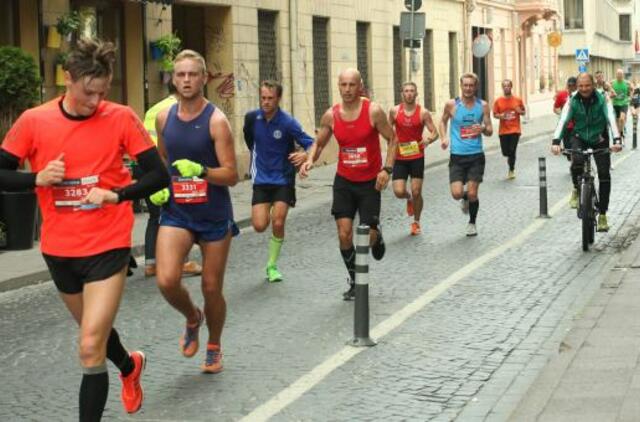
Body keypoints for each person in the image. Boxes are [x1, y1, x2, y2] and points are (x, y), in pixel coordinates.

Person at [0, 39, 170, 420]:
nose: (96, 101)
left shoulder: (121, 117)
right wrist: (37, 178)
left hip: (107, 244)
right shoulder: (34, 121)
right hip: (60, 250)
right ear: (68, 79)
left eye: (102, 92)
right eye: (88, 92)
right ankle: (129, 366)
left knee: (90, 343)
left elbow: (159, 176)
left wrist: (118, 195)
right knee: (99, 335)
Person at [151, 49, 238, 374]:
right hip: (178, 212)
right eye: (180, 75)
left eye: (192, 74)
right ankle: (192, 316)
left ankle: (214, 344)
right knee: (166, 280)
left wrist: (201, 171)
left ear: (203, 79)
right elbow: (162, 160)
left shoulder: (216, 121)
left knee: (212, 287)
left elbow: (231, 174)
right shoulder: (165, 118)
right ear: (173, 79)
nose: (186, 80)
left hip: (213, 214)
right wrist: (160, 186)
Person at [299, 68, 397, 300]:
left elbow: (393, 139)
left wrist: (387, 169)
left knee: (367, 236)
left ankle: (377, 235)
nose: (347, 90)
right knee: (344, 234)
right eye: (343, 85)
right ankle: (355, 280)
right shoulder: (331, 116)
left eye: (352, 85)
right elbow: (319, 142)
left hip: (370, 183)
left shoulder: (373, 111)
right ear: (338, 86)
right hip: (344, 181)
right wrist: (310, 159)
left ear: (360, 86)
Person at [243, 80, 313, 282]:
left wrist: (304, 156)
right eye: (263, 98)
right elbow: (249, 140)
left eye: (270, 98)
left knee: (279, 220)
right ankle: (270, 212)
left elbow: (311, 143)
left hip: (283, 178)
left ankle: (272, 265)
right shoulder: (251, 118)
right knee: (258, 225)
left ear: (278, 99)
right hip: (261, 178)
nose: (265, 102)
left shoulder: (288, 122)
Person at [141, 82, 202, 278]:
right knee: (178, 215)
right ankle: (182, 262)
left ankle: (150, 264)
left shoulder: (153, 109)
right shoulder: (176, 110)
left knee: (154, 217)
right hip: (167, 168)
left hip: (146, 168)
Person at [552, 72, 622, 232]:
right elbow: (563, 120)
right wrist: (556, 141)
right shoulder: (572, 100)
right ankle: (577, 188)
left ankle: (603, 214)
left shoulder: (603, 98)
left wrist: (617, 140)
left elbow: (611, 118)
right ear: (577, 86)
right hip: (580, 136)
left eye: (587, 85)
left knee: (604, 174)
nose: (584, 89)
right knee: (576, 160)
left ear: (593, 85)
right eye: (581, 86)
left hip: (599, 138)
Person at [439, 72, 493, 237]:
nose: (468, 88)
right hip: (457, 156)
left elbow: (490, 129)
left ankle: (472, 223)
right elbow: (442, 121)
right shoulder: (452, 105)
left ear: (475, 87)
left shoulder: (482, 106)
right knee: (456, 194)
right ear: (461, 86)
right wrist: (444, 137)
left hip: (476, 155)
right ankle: (465, 199)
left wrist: (483, 129)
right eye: (465, 85)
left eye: (471, 85)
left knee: (472, 193)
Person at [388, 81, 438, 235]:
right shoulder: (394, 111)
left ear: (416, 94)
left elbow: (434, 132)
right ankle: (408, 198)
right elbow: (387, 132)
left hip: (417, 156)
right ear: (402, 94)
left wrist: (428, 140)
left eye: (412, 91)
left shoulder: (423, 112)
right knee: (398, 191)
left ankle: (416, 222)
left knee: (417, 191)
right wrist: (391, 146)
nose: (409, 93)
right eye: (406, 91)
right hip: (400, 157)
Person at [492, 79, 525, 179]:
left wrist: (520, 111)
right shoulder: (498, 101)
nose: (506, 87)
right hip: (503, 130)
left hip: (515, 130)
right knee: (505, 152)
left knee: (512, 150)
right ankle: (510, 159)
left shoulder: (517, 100)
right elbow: (494, 114)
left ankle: (511, 169)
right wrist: (500, 116)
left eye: (508, 86)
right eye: (504, 86)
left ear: (511, 87)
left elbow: (523, 112)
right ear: (502, 88)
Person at [554, 76, 579, 205]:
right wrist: (561, 113)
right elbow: (556, 108)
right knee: (569, 151)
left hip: (577, 129)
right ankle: (572, 161)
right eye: (569, 86)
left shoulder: (580, 96)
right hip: (566, 128)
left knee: (576, 152)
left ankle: (574, 164)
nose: (571, 88)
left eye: (574, 86)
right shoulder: (562, 95)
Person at [610, 68, 632, 138]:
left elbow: (632, 89)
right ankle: (619, 131)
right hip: (615, 103)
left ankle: (620, 132)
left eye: (621, 74)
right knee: (617, 119)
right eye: (618, 74)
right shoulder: (612, 83)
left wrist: (630, 97)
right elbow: (608, 91)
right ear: (616, 75)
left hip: (624, 103)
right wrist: (611, 95)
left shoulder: (627, 83)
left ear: (623, 75)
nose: (620, 75)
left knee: (622, 118)